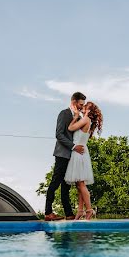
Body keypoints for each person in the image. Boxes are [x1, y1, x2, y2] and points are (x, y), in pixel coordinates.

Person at [45, 92, 86, 221]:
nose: (81, 107)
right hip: (62, 154)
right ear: (74, 102)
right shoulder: (64, 113)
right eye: (80, 104)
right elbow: (59, 134)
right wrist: (74, 146)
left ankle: (69, 213)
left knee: (66, 186)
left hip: (72, 156)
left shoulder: (77, 117)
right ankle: (48, 213)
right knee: (55, 182)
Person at [64, 101, 103, 220]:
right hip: (81, 151)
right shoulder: (88, 121)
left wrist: (75, 116)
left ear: (88, 110)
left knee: (80, 183)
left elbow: (70, 128)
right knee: (79, 184)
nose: (82, 107)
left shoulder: (85, 119)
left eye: (85, 107)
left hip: (78, 152)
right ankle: (80, 210)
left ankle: (89, 210)